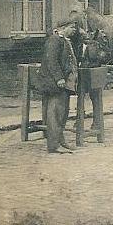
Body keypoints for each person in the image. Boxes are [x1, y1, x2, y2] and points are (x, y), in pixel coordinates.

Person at [35, 18, 79, 153]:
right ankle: (53, 145)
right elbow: (51, 61)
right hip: (55, 83)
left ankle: (60, 140)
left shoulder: (64, 40)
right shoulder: (54, 40)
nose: (74, 30)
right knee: (55, 113)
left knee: (62, 113)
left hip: (62, 83)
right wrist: (59, 78)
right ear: (62, 27)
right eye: (72, 27)